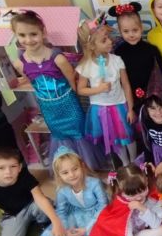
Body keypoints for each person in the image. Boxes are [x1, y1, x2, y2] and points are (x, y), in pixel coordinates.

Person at [10, 10, 99, 169]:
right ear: (15, 35)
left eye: (33, 34)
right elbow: (32, 83)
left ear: (43, 32)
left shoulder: (58, 59)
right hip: (49, 109)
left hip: (69, 105)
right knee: (60, 137)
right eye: (22, 35)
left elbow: (73, 82)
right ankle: (68, 169)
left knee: (79, 134)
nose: (28, 40)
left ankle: (87, 168)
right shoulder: (19, 64)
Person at [76, 19, 136, 165]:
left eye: (108, 38)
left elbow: (126, 85)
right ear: (92, 46)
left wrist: (130, 108)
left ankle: (134, 162)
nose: (110, 41)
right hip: (101, 109)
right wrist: (99, 89)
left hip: (120, 106)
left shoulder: (117, 60)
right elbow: (81, 90)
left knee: (127, 135)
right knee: (115, 138)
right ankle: (125, 164)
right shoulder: (86, 66)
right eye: (104, 40)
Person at [88, 163, 162, 236]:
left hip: (139, 233)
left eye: (142, 190)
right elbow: (125, 231)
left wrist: (143, 208)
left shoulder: (152, 196)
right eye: (132, 195)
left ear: (146, 181)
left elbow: (156, 224)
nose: (139, 197)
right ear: (122, 192)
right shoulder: (122, 204)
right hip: (123, 235)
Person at [38, 146, 108, 236]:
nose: (71, 175)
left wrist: (87, 229)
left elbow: (103, 206)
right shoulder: (61, 190)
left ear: (82, 166)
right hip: (77, 214)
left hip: (97, 215)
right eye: (65, 172)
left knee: (103, 233)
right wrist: (66, 230)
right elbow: (61, 211)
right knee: (59, 234)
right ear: (59, 175)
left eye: (75, 169)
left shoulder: (94, 183)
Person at [108, 2, 162, 113]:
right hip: (128, 99)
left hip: (151, 99)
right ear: (120, 31)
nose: (131, 35)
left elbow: (161, 76)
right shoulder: (118, 52)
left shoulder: (151, 50)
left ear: (141, 28)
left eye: (135, 30)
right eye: (126, 31)